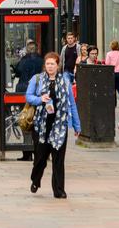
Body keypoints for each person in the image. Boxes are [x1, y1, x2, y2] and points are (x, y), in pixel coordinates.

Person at [24, 52, 80, 198]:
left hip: (59, 125)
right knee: (40, 158)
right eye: (47, 64)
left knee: (58, 159)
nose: (50, 66)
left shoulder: (65, 81)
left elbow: (71, 103)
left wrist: (77, 125)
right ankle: (36, 179)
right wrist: (40, 99)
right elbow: (28, 96)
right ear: (45, 65)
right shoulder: (37, 79)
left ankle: (59, 190)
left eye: (52, 64)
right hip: (41, 125)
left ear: (58, 65)